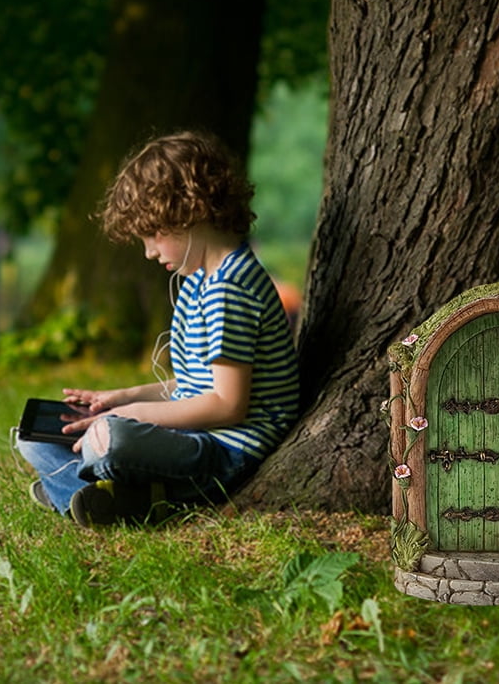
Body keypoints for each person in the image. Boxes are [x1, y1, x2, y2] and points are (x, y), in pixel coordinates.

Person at [16, 130, 299, 528]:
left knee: (112, 438)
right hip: (197, 435)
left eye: (153, 235)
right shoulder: (199, 280)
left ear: (190, 211)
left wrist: (132, 416)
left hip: (225, 451)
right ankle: (107, 496)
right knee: (31, 438)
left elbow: (227, 405)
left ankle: (86, 490)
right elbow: (196, 385)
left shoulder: (230, 289)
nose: (149, 252)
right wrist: (120, 398)